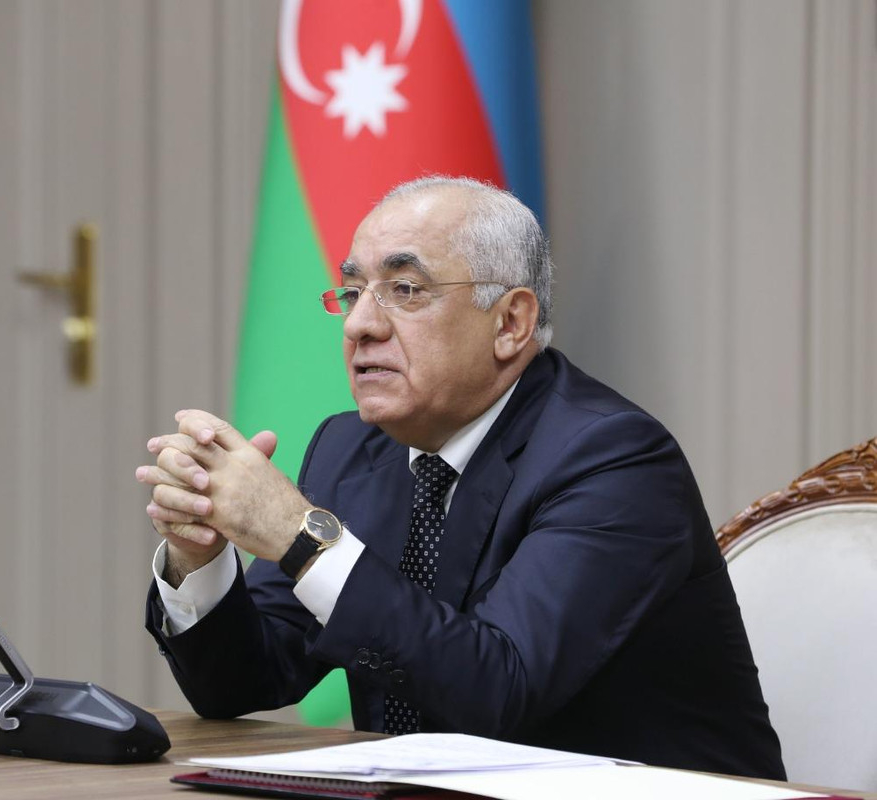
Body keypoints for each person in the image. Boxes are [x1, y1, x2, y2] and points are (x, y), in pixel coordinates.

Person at [136, 176, 785, 779]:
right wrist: (199, 559)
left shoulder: (613, 458)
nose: (359, 324)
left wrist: (299, 537)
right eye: (353, 292)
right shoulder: (350, 448)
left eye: (405, 290)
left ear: (510, 323)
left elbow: (499, 691)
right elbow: (244, 682)